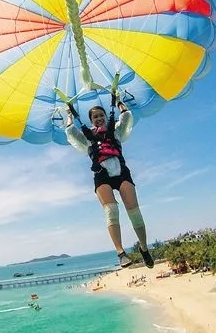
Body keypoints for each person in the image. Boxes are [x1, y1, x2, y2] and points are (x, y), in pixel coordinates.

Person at [65, 99, 154, 269]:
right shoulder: (87, 137)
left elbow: (126, 117)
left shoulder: (116, 130)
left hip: (121, 172)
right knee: (111, 210)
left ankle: (144, 248)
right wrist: (69, 115)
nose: (99, 118)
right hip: (101, 175)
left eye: (101, 115)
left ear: (106, 117)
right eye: (95, 117)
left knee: (134, 212)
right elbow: (70, 132)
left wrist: (119, 102)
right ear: (91, 121)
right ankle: (121, 253)